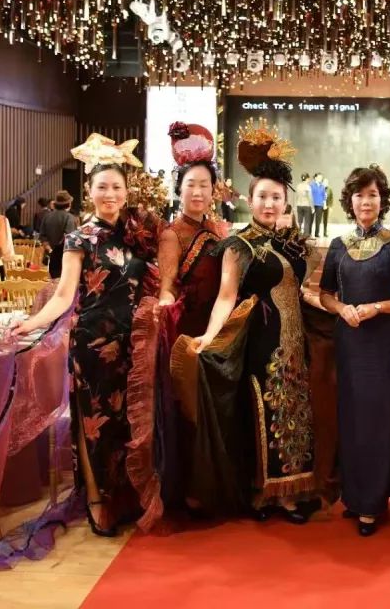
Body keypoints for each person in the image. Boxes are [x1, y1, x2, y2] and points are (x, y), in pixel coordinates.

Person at [10, 135, 161, 536]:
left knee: (127, 422)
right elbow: (64, 295)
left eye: (117, 187)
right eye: (102, 187)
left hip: (133, 344)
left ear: (126, 191)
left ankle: (124, 495)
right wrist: (32, 323)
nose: (110, 194)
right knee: (94, 422)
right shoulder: (80, 238)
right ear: (89, 192)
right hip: (93, 345)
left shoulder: (135, 235)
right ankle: (96, 498)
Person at [190, 120, 318, 524]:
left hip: (296, 340)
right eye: (262, 196)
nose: (269, 204)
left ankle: (292, 489)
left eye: (276, 197)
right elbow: (226, 296)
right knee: (266, 410)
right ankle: (264, 493)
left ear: (286, 201)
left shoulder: (292, 242)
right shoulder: (239, 244)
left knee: (296, 410)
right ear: (250, 199)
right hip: (262, 340)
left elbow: (302, 289)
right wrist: (209, 336)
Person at [319, 165, 390, 536]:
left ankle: (373, 502)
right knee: (351, 417)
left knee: (379, 417)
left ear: (382, 200)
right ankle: (355, 495)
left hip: (383, 343)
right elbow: (325, 294)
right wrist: (341, 308)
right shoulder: (338, 245)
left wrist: (377, 307)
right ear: (350, 201)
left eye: (372, 195)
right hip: (349, 341)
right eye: (359, 195)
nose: (366, 202)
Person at [155, 122, 240, 519]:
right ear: (180, 188)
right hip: (188, 331)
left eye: (205, 185)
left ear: (214, 190)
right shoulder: (172, 234)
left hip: (220, 328)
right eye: (191, 185)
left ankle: (216, 488)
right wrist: (164, 303)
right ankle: (190, 490)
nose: (198, 192)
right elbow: (167, 285)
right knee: (189, 410)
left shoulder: (219, 229)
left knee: (217, 409)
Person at [39, 190, 78, 279]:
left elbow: (42, 236)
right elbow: (69, 238)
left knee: (51, 282)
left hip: (49, 257)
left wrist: (50, 249)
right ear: (69, 204)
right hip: (64, 258)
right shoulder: (70, 218)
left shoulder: (47, 216)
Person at [296, 173, 314, 237]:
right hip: (306, 205)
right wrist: (312, 207)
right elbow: (310, 197)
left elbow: (297, 196)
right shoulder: (308, 186)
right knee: (307, 221)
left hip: (299, 205)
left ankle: (298, 233)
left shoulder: (298, 186)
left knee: (299, 221)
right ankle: (306, 234)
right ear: (307, 178)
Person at [310, 173, 327, 238]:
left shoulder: (322, 186)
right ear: (315, 178)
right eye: (319, 177)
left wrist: (324, 204)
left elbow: (324, 196)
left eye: (321, 177)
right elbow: (309, 195)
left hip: (320, 205)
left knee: (318, 220)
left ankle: (316, 233)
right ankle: (309, 233)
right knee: (311, 220)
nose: (320, 179)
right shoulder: (311, 185)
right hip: (313, 204)